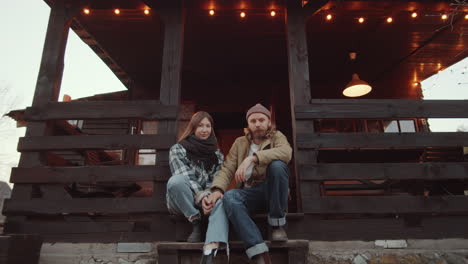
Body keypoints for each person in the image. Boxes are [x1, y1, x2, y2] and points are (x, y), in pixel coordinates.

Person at [208, 104, 292, 264]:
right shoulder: (239, 143)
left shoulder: (277, 136)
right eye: (253, 120)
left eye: (261, 120)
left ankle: (277, 224)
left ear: (268, 122)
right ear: (248, 124)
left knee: (278, 166)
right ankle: (258, 251)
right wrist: (218, 189)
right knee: (230, 197)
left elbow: (286, 152)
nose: (257, 124)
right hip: (250, 193)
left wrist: (252, 158)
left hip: (272, 191)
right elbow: (228, 168)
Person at [166, 111, 229, 263]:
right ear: (193, 128)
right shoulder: (178, 149)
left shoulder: (217, 154)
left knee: (222, 196)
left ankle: (213, 244)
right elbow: (186, 176)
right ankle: (195, 221)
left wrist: (209, 195)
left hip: (207, 200)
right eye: (200, 125)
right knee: (175, 181)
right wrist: (202, 197)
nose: (204, 129)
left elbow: (216, 180)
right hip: (183, 200)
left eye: (208, 126)